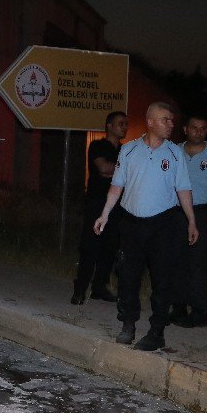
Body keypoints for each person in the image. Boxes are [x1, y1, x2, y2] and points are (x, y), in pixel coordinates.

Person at [94, 102, 198, 351]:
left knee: (162, 279)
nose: (171, 125)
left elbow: (183, 188)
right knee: (128, 276)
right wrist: (105, 214)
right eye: (166, 120)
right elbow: (117, 186)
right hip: (131, 222)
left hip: (163, 224)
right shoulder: (129, 151)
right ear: (151, 122)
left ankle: (156, 331)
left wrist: (191, 220)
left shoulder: (175, 154)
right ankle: (128, 323)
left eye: (172, 121)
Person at [170, 115, 207, 328]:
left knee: (199, 263)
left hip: (203, 214)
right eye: (194, 127)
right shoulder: (173, 150)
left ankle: (198, 311)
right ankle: (177, 308)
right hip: (176, 213)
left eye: (203, 128)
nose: (198, 131)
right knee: (177, 261)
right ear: (185, 129)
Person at [72, 110, 129, 304]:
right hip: (97, 202)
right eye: (120, 124)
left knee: (110, 247)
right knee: (90, 245)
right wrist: (124, 169)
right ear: (109, 126)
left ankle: (99, 287)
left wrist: (119, 170)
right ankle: (80, 288)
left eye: (125, 124)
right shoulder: (97, 145)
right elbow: (104, 169)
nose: (124, 128)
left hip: (119, 205)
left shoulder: (126, 150)